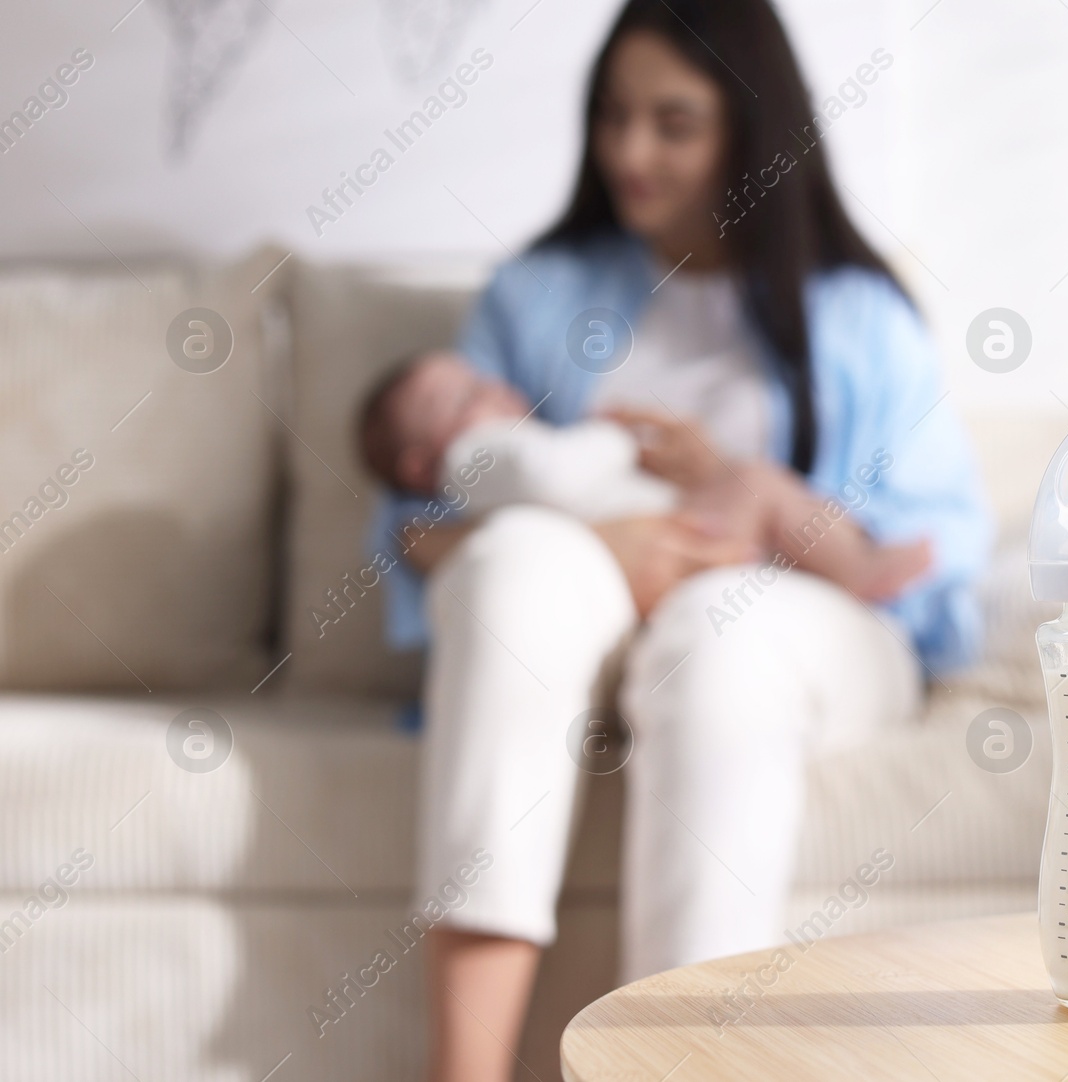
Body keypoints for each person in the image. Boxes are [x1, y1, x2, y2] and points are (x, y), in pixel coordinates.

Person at [365, 1, 991, 1078]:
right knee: (514, 561)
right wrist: (604, 547)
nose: (629, 152)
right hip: (589, 620)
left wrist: (762, 500)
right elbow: (418, 522)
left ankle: (684, 1066)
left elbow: (931, 571)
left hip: (805, 628)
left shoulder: (859, 314)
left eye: (672, 122)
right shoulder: (537, 291)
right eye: (611, 117)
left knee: (720, 630)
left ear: (751, 130)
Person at [359, 349, 933, 599]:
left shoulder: (489, 463)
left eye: (480, 378)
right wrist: (619, 441)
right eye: (464, 395)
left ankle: (848, 562)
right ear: (420, 463)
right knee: (757, 484)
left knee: (756, 490)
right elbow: (552, 477)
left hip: (659, 537)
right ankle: (856, 566)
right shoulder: (472, 457)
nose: (492, 388)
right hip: (658, 534)